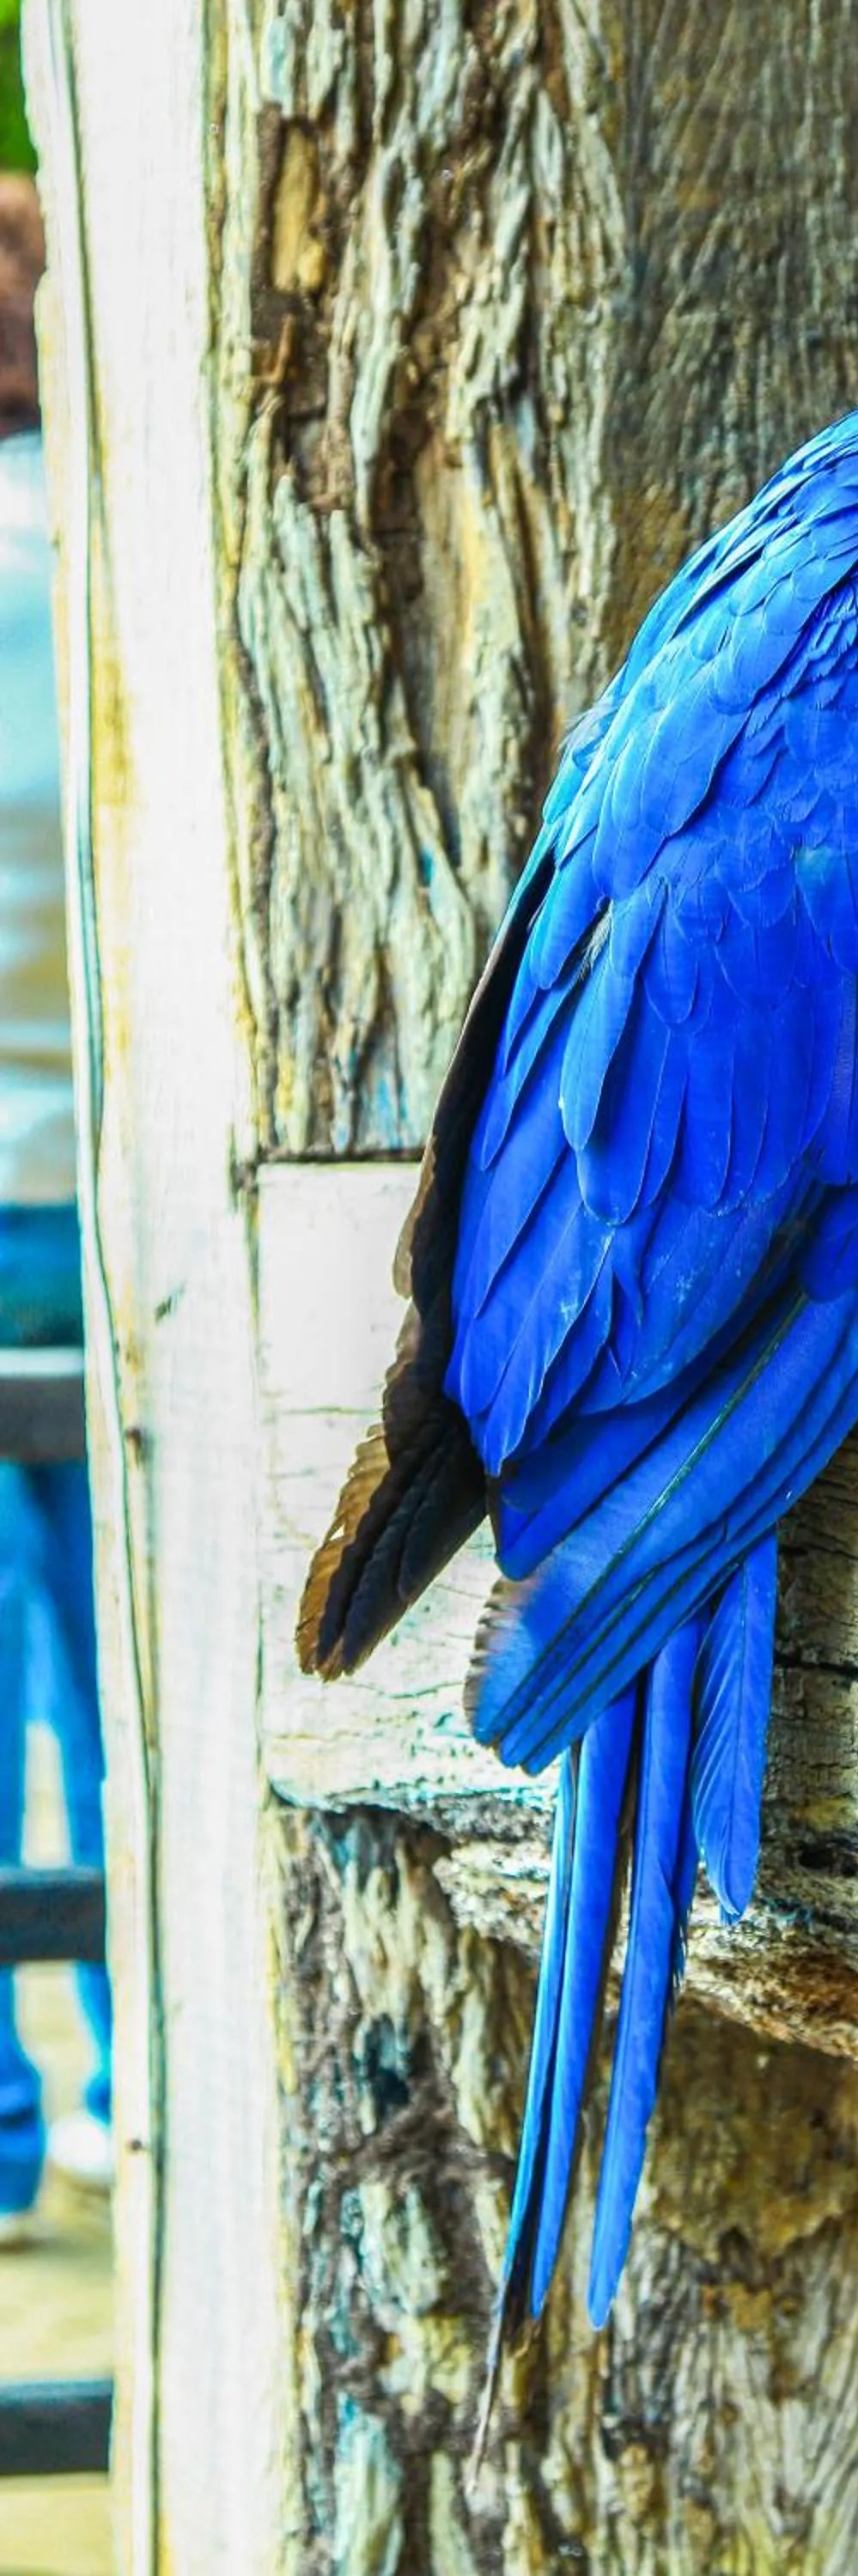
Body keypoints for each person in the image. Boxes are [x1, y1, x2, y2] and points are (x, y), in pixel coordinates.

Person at [0, 170, 111, 2243]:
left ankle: (2, 2137)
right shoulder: (96, 557)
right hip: (96, 1196)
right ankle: (138, 2071)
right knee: (123, 1681)